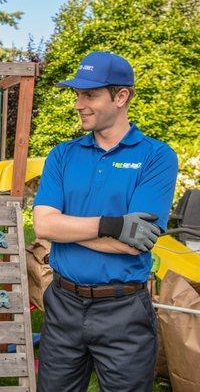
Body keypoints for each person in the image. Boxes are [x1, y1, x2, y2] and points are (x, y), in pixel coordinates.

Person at [33, 51, 178, 391]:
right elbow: (43, 226)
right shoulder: (63, 155)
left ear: (121, 96)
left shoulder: (156, 157)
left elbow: (133, 244)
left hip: (123, 311)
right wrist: (111, 224)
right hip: (63, 306)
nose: (79, 104)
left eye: (90, 94)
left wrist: (67, 228)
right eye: (77, 95)